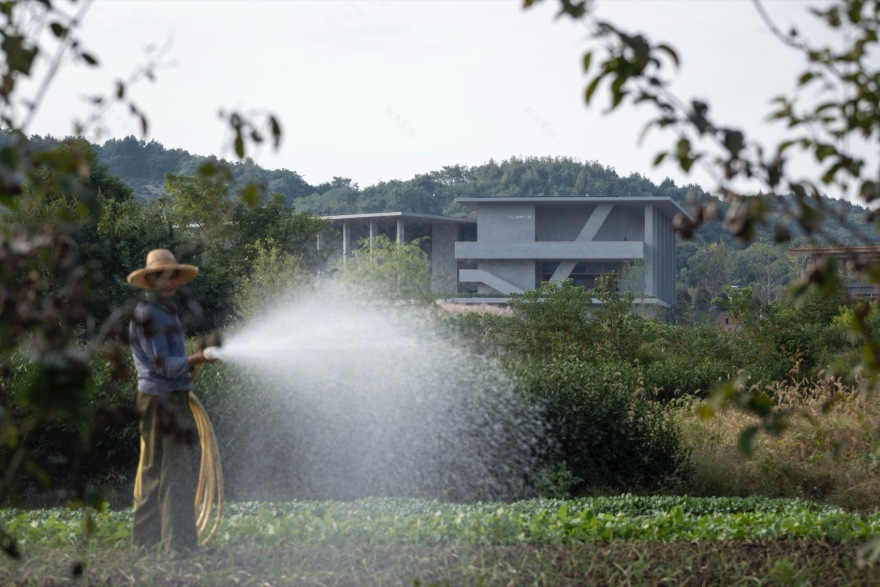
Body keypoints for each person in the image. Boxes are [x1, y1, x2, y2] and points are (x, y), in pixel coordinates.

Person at [126, 249, 214, 554]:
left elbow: (174, 361)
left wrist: (192, 361)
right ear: (149, 279)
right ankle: (179, 546)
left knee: (156, 469)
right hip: (159, 399)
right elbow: (162, 365)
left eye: (172, 275)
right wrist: (196, 358)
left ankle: (146, 541)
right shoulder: (147, 315)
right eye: (161, 276)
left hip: (170, 395)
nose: (168, 282)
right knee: (173, 469)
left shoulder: (168, 310)